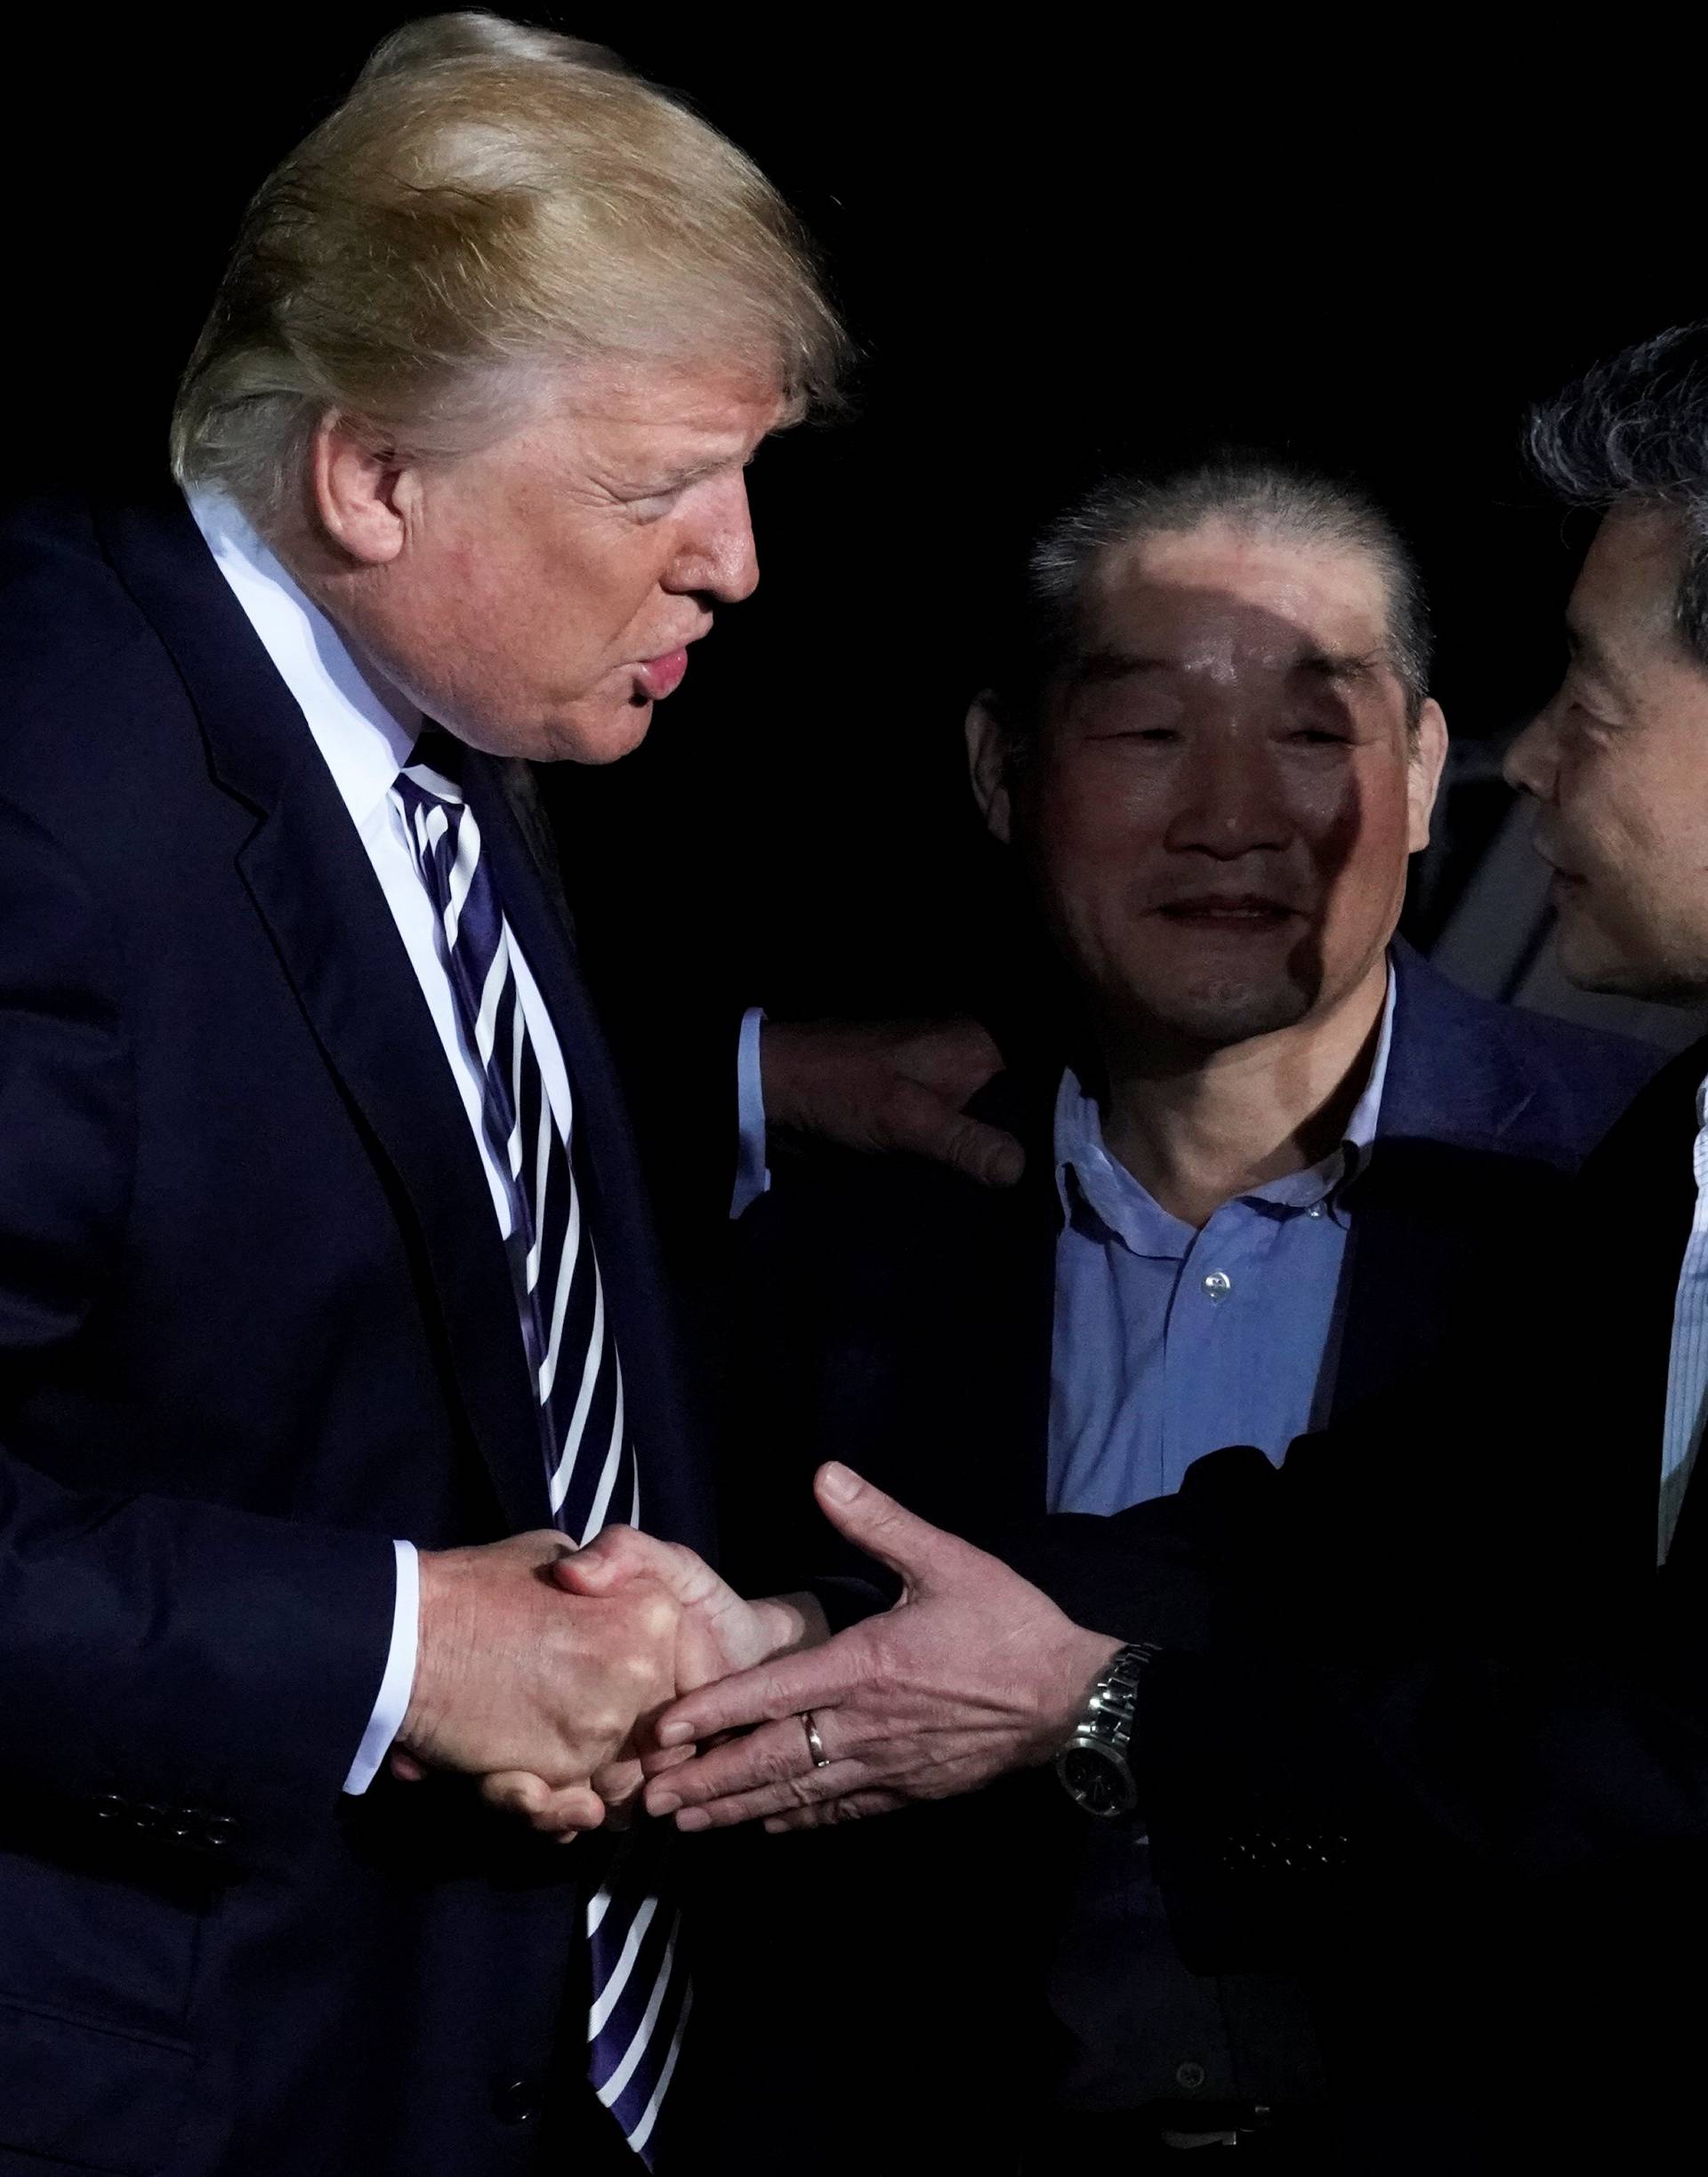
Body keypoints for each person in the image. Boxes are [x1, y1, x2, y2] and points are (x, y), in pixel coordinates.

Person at [616, 327, 1708, 2154]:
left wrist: (1108, 1713)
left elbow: (1647, 1774)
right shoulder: (1677, 1156)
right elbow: (1341, 1529)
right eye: (1146, 728)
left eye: (1588, 705)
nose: (1233, 813)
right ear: (1001, 768)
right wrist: (817, 1627)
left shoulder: (1570, 1166)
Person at [0, 12, 870, 2171]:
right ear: (374, 474)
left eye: (747, 477)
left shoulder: (443, 712)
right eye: (660, 488)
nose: (736, 562)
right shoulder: (37, 773)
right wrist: (404, 1651)